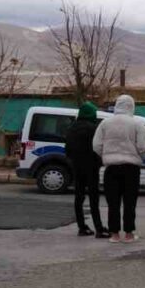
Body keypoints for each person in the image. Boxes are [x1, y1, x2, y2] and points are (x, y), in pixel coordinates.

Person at [93, 94, 145, 243]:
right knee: (130, 202)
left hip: (111, 168)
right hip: (131, 168)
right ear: (131, 106)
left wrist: (106, 154)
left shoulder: (105, 123)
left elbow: (96, 145)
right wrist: (140, 156)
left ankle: (114, 234)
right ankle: (129, 234)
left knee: (113, 203)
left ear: (117, 105)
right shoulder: (137, 124)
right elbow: (144, 147)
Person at [64, 101, 108, 238]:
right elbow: (99, 147)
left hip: (77, 166)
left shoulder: (71, 128)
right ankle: (99, 228)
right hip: (92, 167)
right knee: (94, 197)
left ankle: (82, 227)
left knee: (79, 196)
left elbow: (67, 149)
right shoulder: (94, 128)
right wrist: (100, 162)